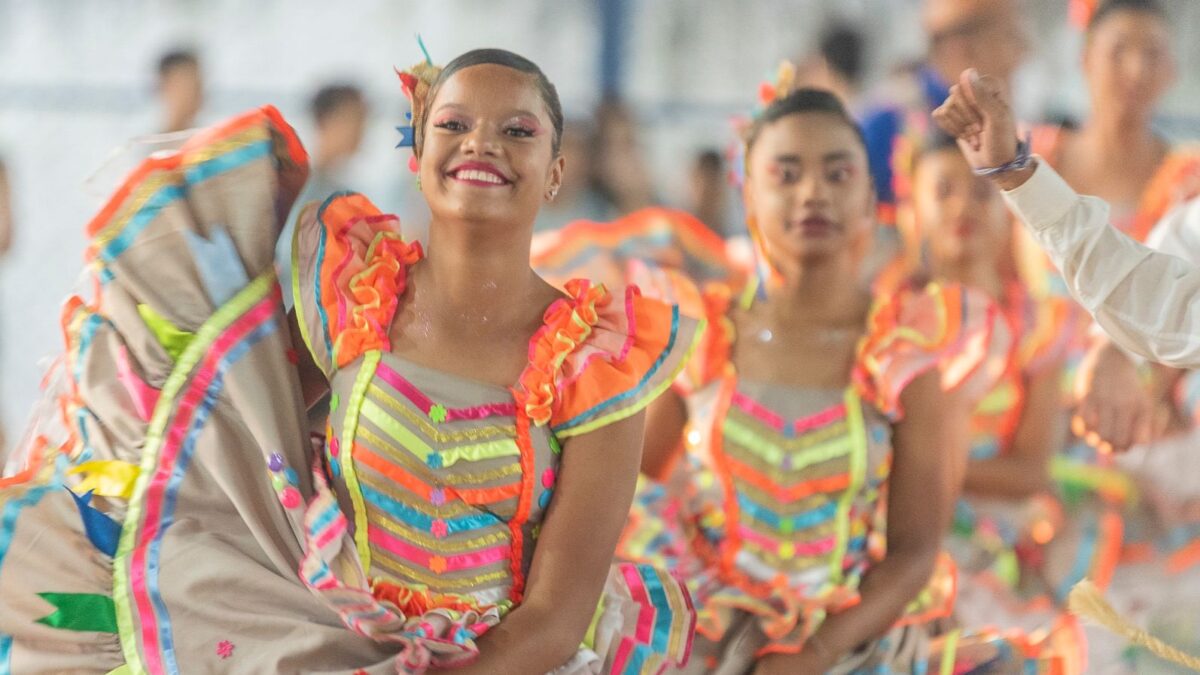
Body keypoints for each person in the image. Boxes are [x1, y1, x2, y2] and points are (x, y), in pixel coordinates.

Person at [0, 49, 700, 673]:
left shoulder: (599, 362)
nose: (481, 142)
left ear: (555, 172)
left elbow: (555, 615)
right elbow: (237, 427)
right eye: (453, 124)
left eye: (517, 130)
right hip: (330, 641)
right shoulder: (351, 296)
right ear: (418, 150)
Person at [619, 79, 1029, 672]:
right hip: (701, 635)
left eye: (837, 175)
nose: (813, 193)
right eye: (786, 174)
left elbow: (915, 550)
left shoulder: (904, 353)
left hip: (849, 643)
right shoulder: (702, 334)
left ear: (869, 197)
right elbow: (629, 487)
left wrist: (812, 655)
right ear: (749, 194)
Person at [886, 133, 1090, 658]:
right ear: (913, 209)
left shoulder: (1038, 326)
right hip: (895, 535)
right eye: (944, 190)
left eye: (981, 193)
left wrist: (917, 467)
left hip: (999, 540)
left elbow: (1030, 472)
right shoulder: (886, 320)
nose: (963, 207)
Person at [860, 0, 1028, 225]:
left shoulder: (1000, 122)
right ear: (963, 48)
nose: (1024, 53)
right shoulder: (886, 125)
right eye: (1011, 37)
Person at [276, 83, 370, 294]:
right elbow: (286, 254)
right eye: (355, 118)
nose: (362, 128)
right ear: (326, 121)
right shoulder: (297, 182)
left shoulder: (342, 190)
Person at [156, 49, 204, 134]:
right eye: (186, 86)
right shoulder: (144, 141)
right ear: (165, 86)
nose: (196, 94)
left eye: (198, 85)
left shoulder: (209, 139)